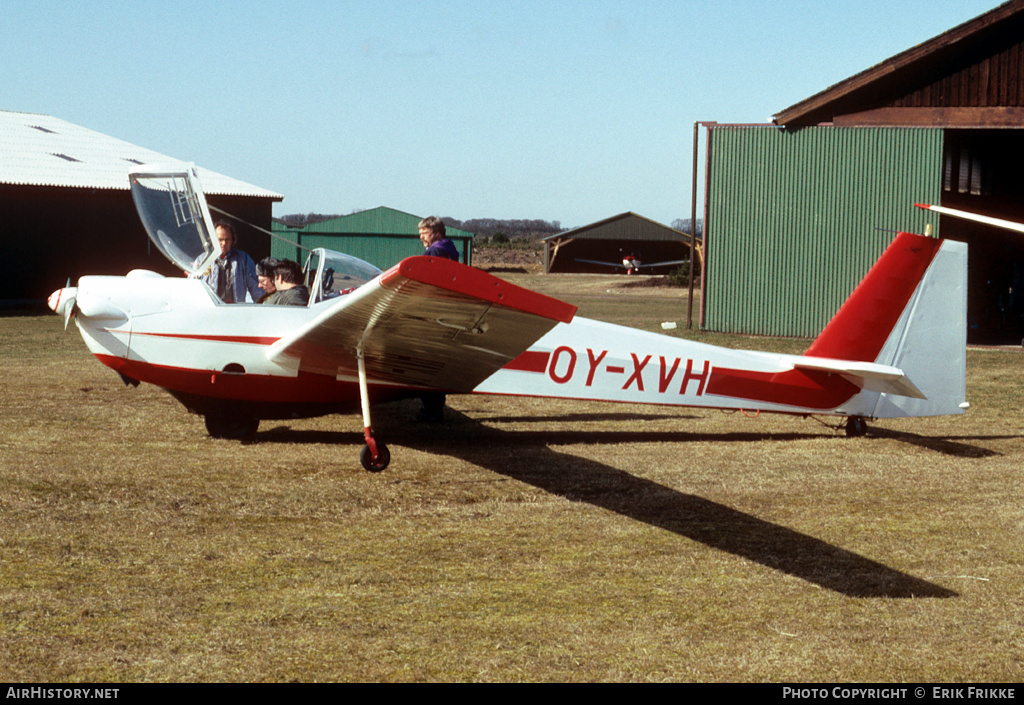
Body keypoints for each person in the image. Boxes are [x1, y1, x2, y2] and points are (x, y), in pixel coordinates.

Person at [417, 216, 460, 422]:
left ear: (436, 233)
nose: (420, 237)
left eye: (424, 233)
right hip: (445, 312)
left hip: (433, 312)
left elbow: (427, 284)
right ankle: (434, 409)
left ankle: (431, 411)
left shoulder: (434, 252)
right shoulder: (449, 249)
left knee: (425, 362)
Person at [201, 221, 262, 303]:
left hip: (235, 311)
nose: (224, 243)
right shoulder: (202, 260)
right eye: (220, 240)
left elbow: (257, 288)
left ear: (232, 240)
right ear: (212, 240)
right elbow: (192, 289)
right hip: (211, 311)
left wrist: (262, 306)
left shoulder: (244, 259)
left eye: (227, 240)